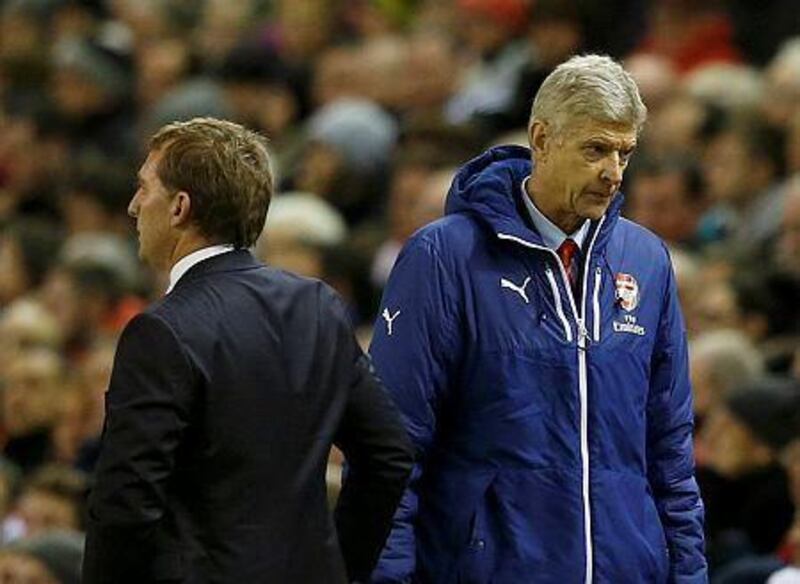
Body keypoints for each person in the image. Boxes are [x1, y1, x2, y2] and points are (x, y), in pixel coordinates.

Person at [369, 55, 707, 582]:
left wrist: (688, 574)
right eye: (596, 149)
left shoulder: (647, 260)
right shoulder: (445, 257)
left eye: (625, 153)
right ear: (542, 139)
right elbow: (394, 441)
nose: (613, 173)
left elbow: (670, 447)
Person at [82, 118, 414, 584]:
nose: (135, 206)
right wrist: (341, 568)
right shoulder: (316, 306)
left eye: (144, 188)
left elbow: (125, 505)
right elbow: (388, 456)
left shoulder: (161, 331)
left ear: (180, 207)